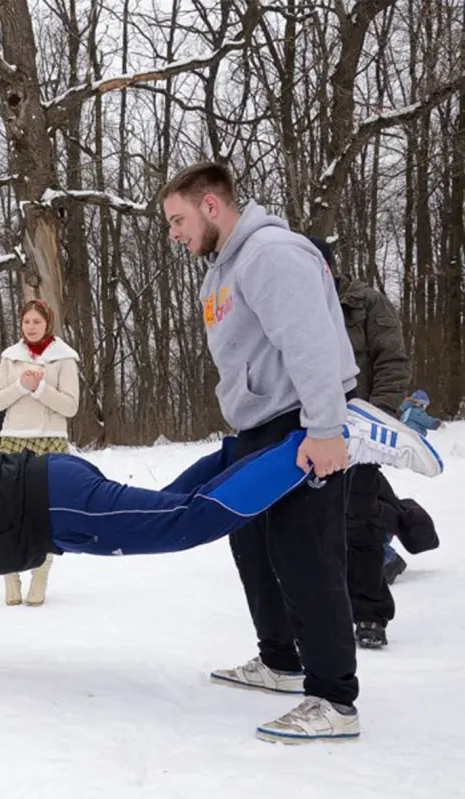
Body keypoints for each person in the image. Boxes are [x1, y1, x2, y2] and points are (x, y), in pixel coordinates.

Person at [0, 399, 441, 744]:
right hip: (51, 503)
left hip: (46, 501)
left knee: (183, 524)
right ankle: (236, 455)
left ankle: (310, 450)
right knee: (172, 509)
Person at [160, 162, 369, 741]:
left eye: (178, 219)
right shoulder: (219, 271)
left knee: (306, 554)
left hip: (300, 422)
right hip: (260, 425)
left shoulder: (271, 253)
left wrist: (325, 429)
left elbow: (311, 344)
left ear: (210, 206)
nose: (174, 233)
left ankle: (334, 699)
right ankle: (280, 660)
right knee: (252, 542)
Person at [309, 236, 412, 650]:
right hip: (309, 430)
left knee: (359, 521)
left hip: (358, 429)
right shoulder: (295, 308)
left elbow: (393, 362)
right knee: (309, 525)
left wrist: (375, 418)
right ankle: (317, 613)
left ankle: (369, 614)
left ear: (328, 269)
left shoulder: (366, 303)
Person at [0, 299, 79, 607]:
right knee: (8, 511)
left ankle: (40, 575)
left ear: (47, 324)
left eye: (36, 322)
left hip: (51, 440)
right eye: (26, 321)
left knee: (46, 513)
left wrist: (40, 389)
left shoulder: (64, 358)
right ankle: (10, 575)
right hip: (14, 439)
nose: (31, 327)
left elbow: (71, 406)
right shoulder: (10, 357)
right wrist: (22, 385)